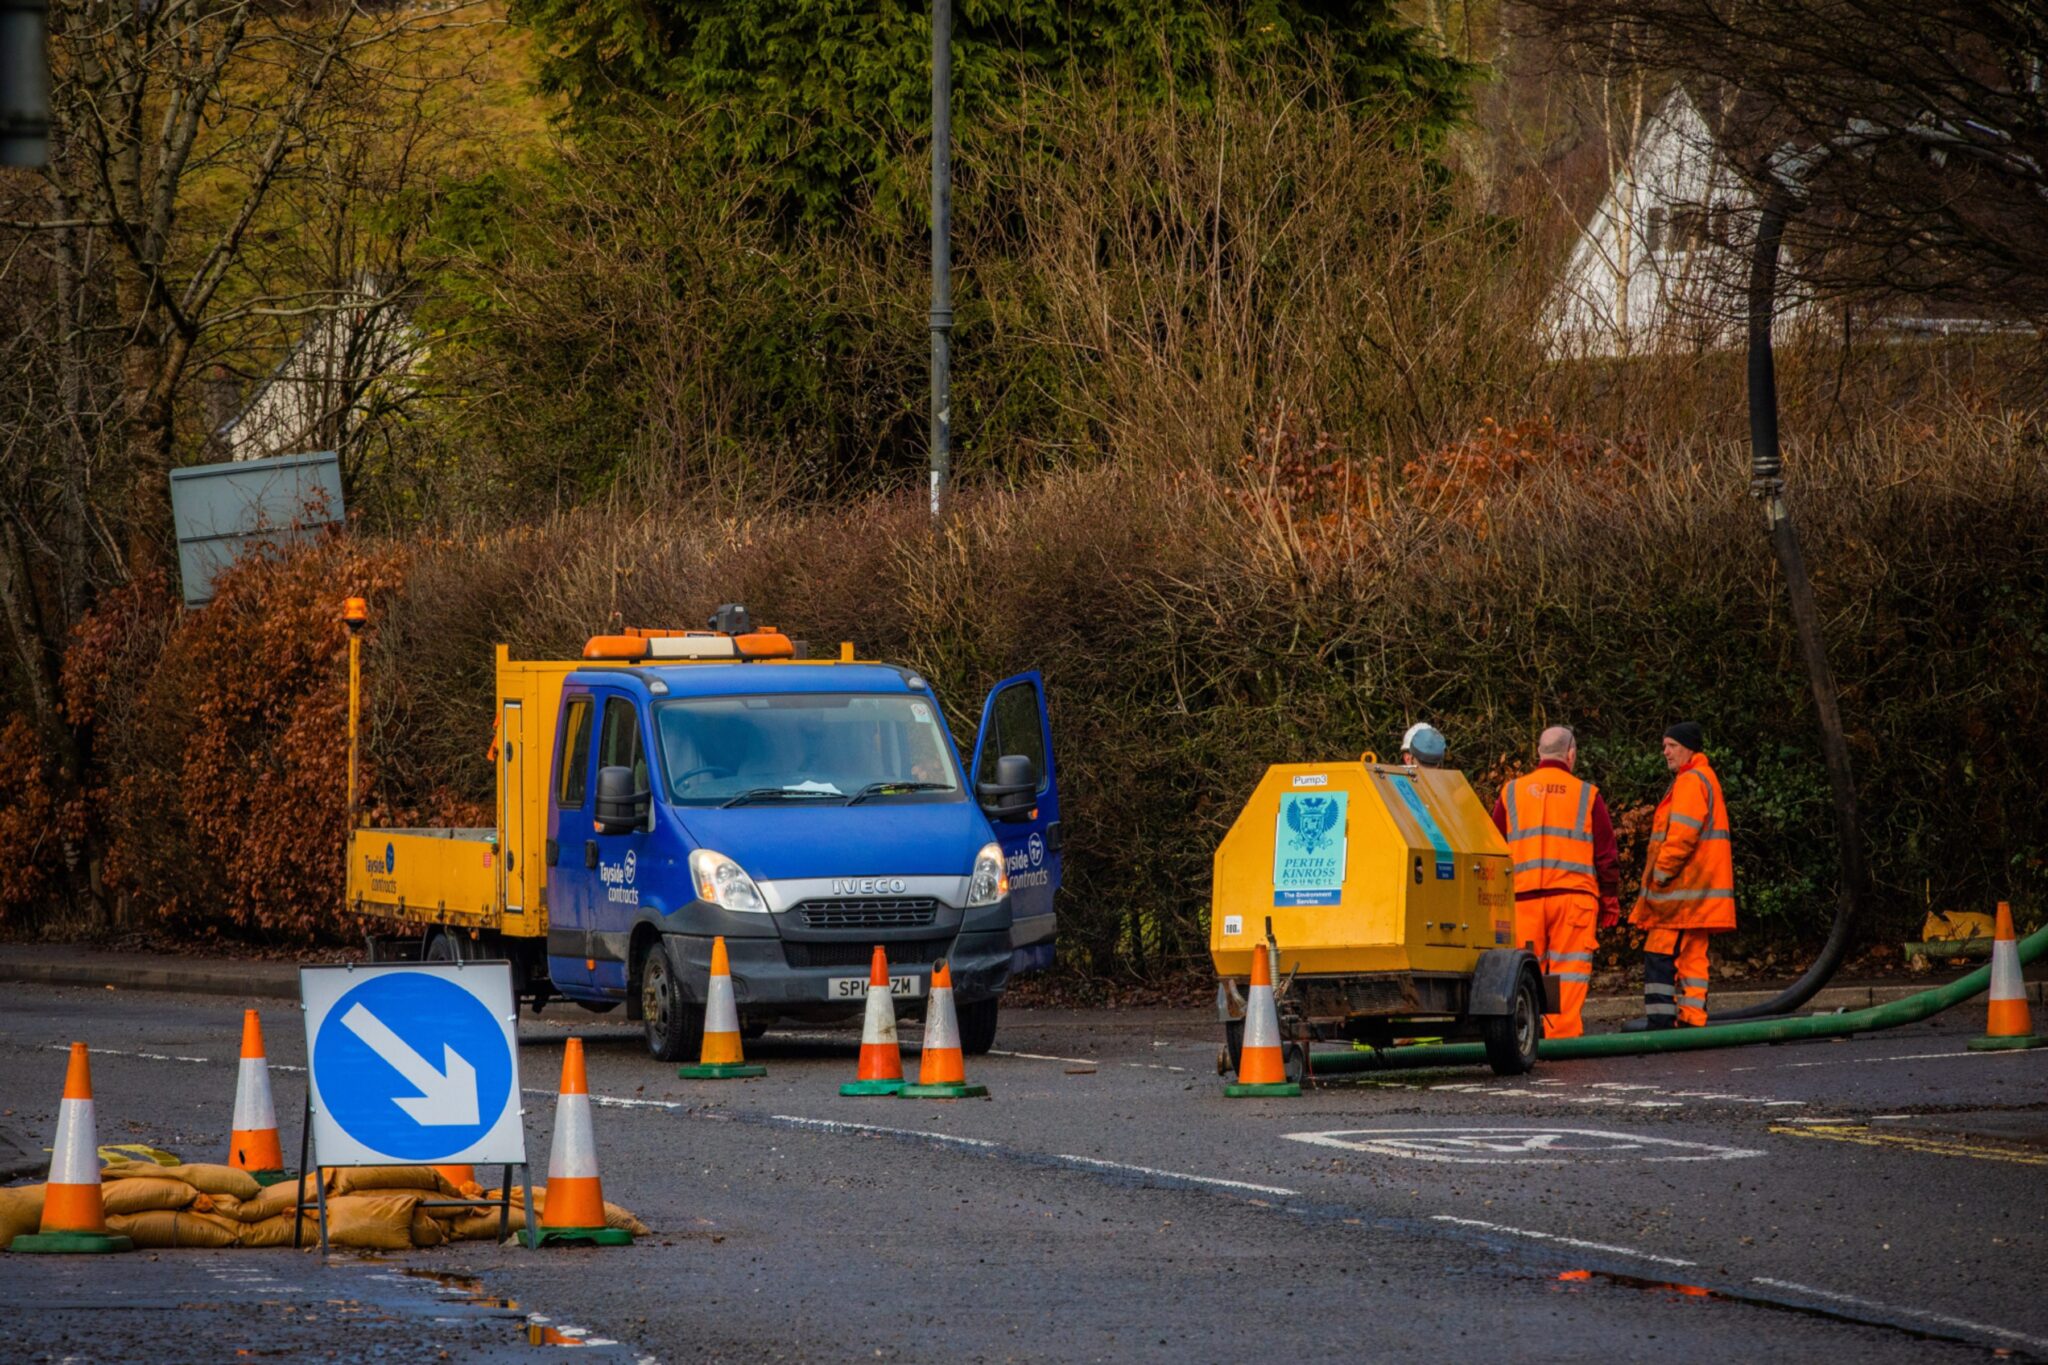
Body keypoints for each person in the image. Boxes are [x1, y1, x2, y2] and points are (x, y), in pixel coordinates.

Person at [1490, 725, 1620, 1039]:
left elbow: (1492, 847)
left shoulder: (1511, 793)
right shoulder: (1587, 794)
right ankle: (1562, 1039)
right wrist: (1610, 899)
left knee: (1525, 973)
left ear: (1539, 753)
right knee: (1569, 973)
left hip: (1523, 902)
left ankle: (1527, 1037)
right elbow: (1606, 855)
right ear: (1571, 754)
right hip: (1573, 901)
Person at [1631, 721, 1736, 1028]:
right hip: (1698, 893)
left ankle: (1661, 1022)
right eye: (1664, 746)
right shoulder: (1705, 778)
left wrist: (1661, 874)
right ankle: (1692, 1020)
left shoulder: (1691, 781)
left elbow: (1682, 836)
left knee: (1659, 951)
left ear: (1689, 748)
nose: (1665, 752)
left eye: (1671, 746)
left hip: (1680, 893)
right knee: (1692, 957)